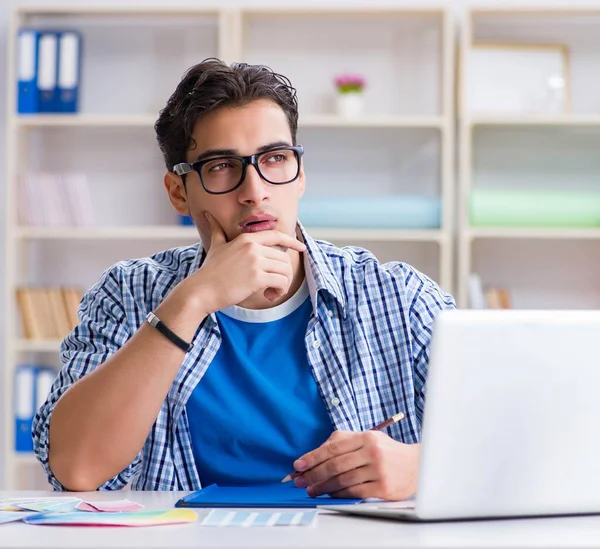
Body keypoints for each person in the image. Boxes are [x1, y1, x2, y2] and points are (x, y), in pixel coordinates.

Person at [33, 58, 456, 499]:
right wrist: (192, 300)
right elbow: (76, 469)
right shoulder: (126, 293)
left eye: (275, 159)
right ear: (179, 192)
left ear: (301, 176)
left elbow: (520, 438)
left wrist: (422, 467)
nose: (254, 190)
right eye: (220, 166)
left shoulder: (399, 297)